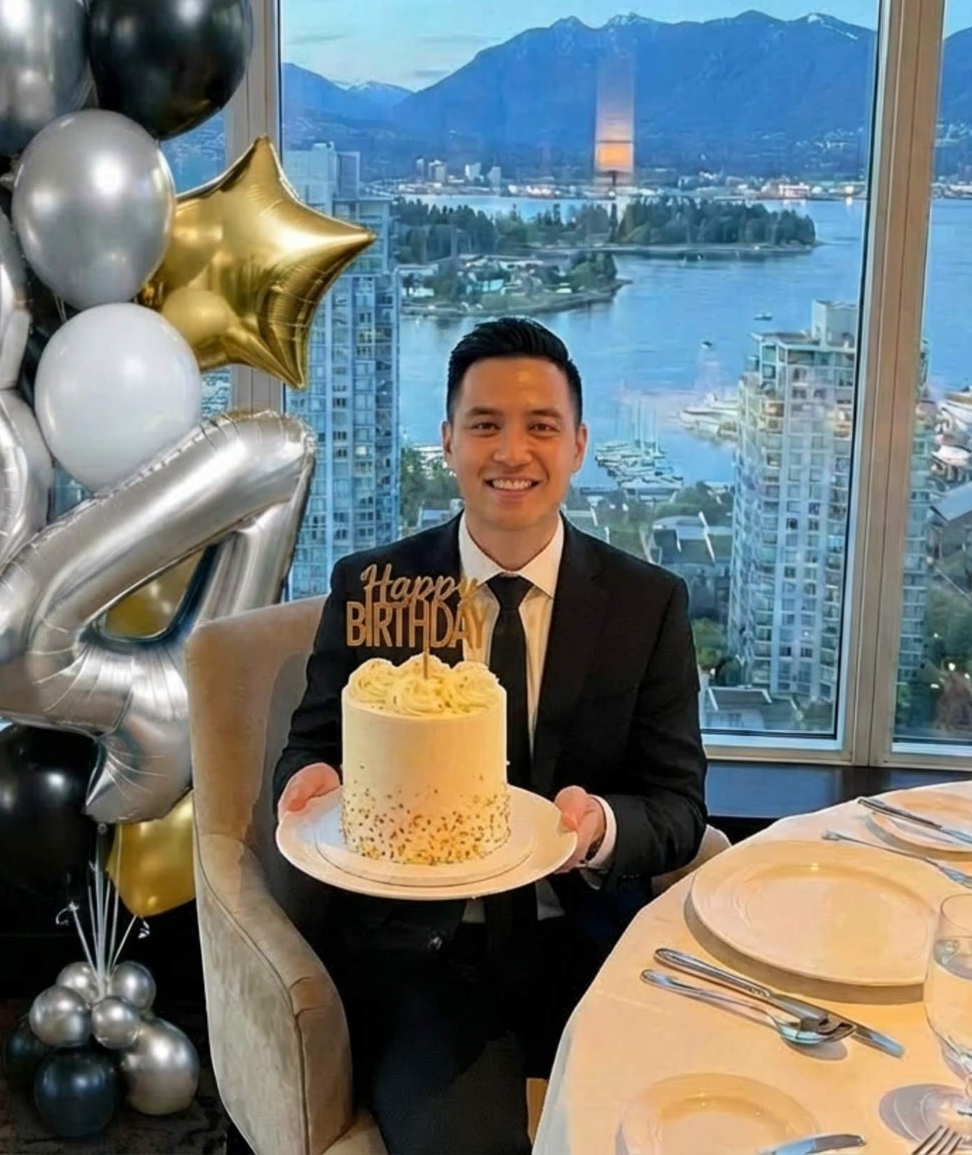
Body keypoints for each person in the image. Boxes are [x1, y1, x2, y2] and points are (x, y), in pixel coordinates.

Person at [274, 317, 707, 1154]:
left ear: (578, 444)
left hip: (587, 945)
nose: (512, 451)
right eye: (485, 425)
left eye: (540, 425)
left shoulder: (645, 603)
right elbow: (314, 746)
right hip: (427, 956)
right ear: (446, 442)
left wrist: (600, 826)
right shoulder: (381, 585)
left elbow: (679, 806)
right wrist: (309, 784)